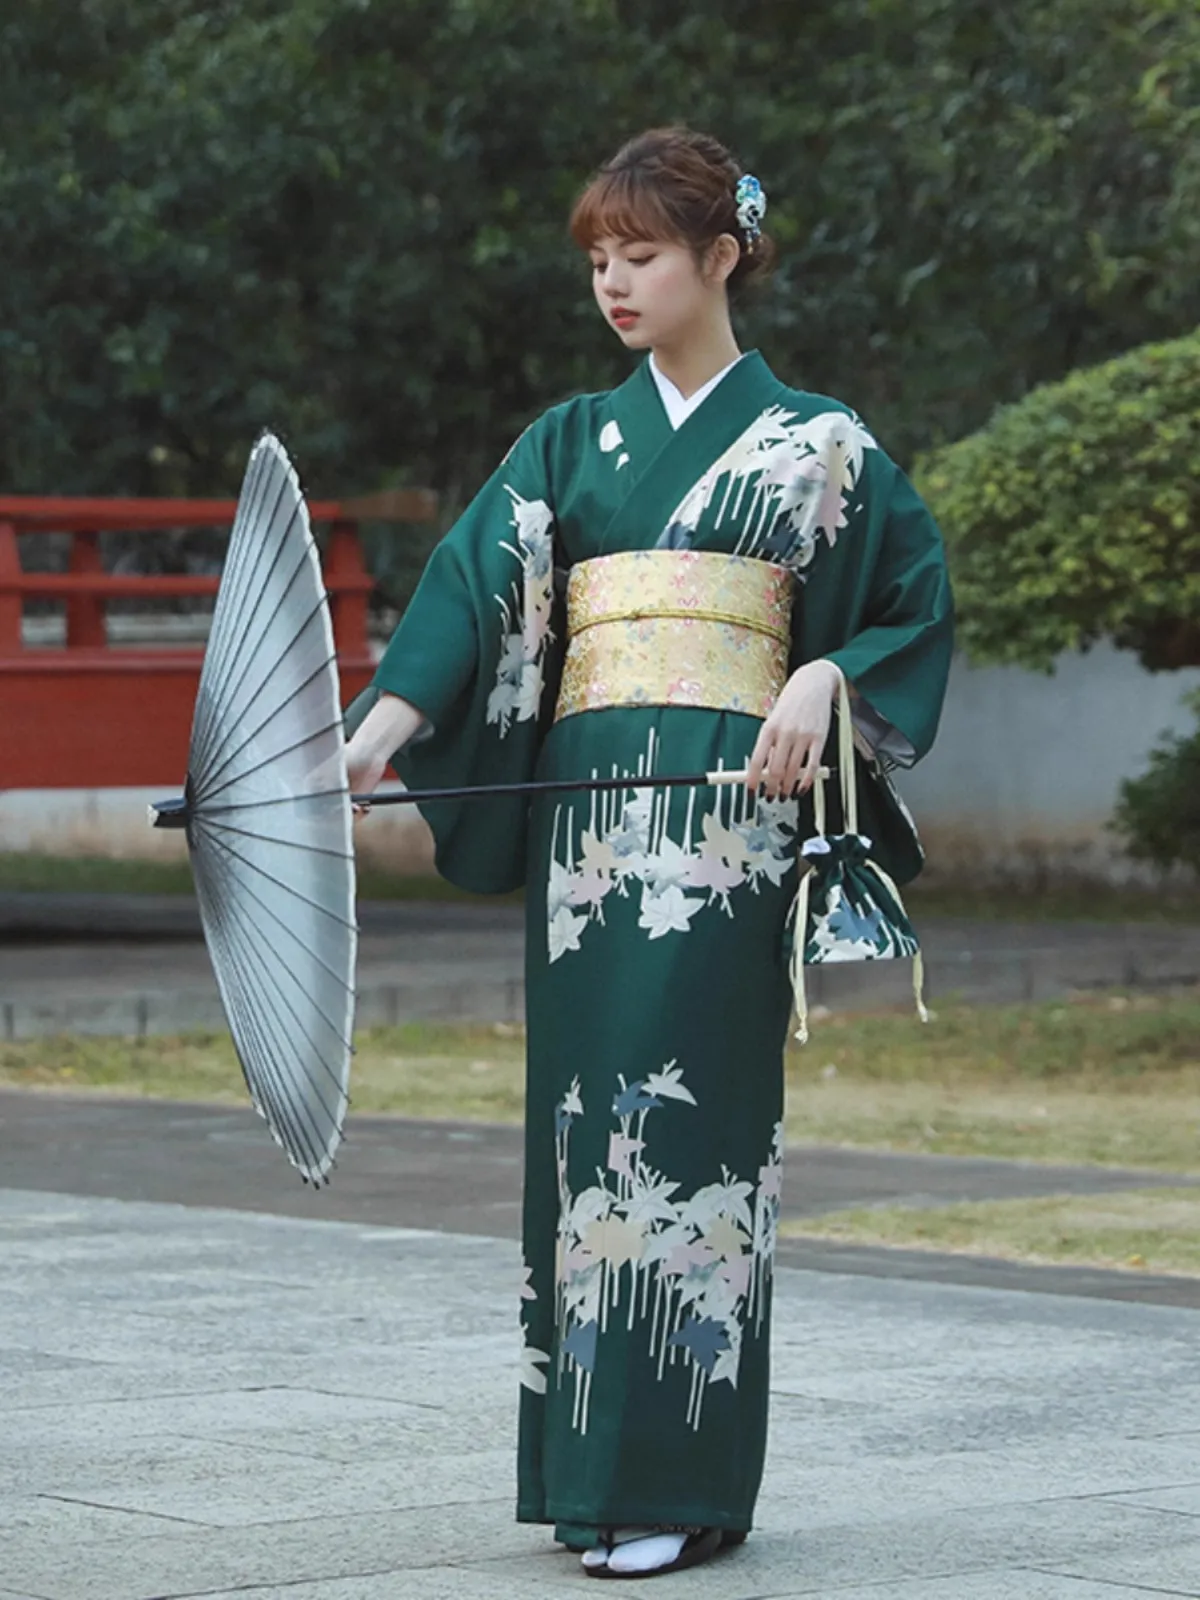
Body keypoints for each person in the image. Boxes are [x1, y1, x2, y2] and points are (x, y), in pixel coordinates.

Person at [345, 126, 953, 1580]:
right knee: (581, 1132)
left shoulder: (825, 446)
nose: (615, 283)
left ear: (721, 257)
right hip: (587, 830)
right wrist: (377, 730)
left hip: (727, 827)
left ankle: (680, 1473)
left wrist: (827, 676)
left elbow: (912, 608)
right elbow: (474, 591)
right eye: (601, 261)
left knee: (693, 1136)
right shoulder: (569, 441)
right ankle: (589, 1480)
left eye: (644, 256)